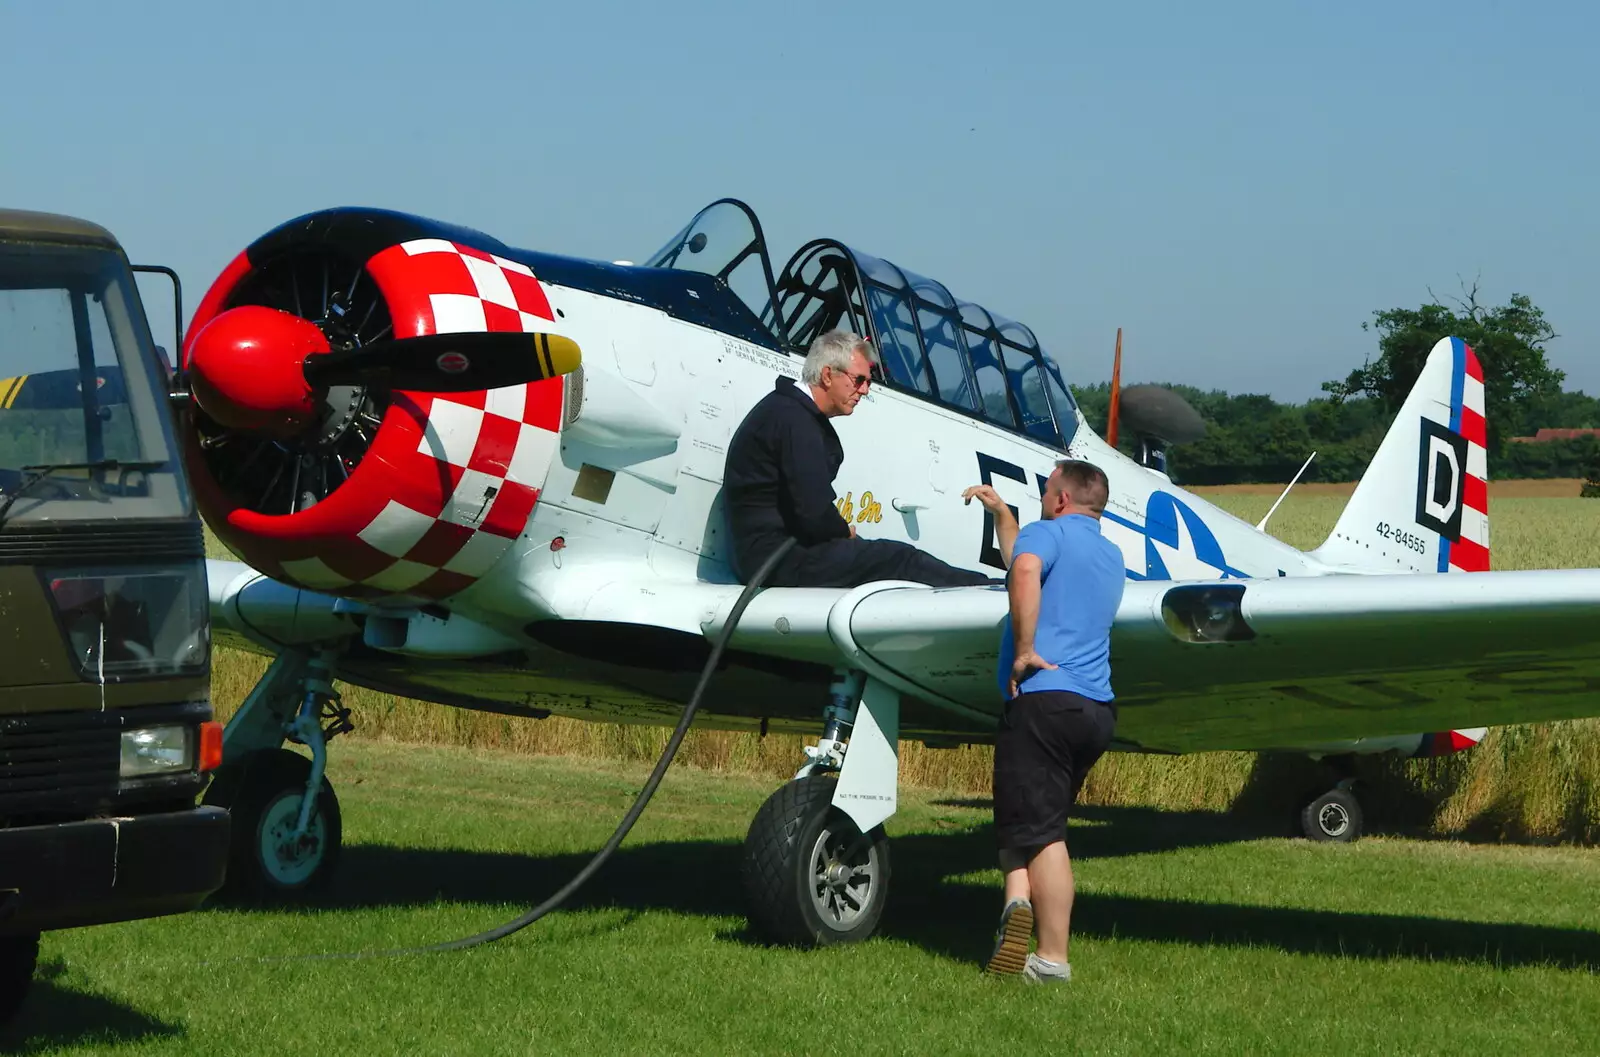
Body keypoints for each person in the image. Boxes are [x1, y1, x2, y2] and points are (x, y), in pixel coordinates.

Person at [982, 458, 1125, 984]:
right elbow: (1025, 558)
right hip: (1094, 711)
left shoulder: (1048, 534)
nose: (1043, 499)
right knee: (1024, 817)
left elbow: (1024, 568)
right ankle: (1015, 906)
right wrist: (1002, 516)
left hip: (1045, 701)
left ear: (1061, 499)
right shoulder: (1111, 555)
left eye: (1046, 491)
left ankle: (1051, 961)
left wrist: (1023, 649)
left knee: (1044, 835)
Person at [723, 329, 1001, 589]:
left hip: (761, 554)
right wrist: (844, 531)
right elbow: (813, 512)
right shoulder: (796, 421)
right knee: (900, 559)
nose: (865, 390)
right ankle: (991, 589)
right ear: (828, 375)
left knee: (877, 555)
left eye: (868, 382)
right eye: (859, 380)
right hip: (776, 559)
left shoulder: (784, 410)